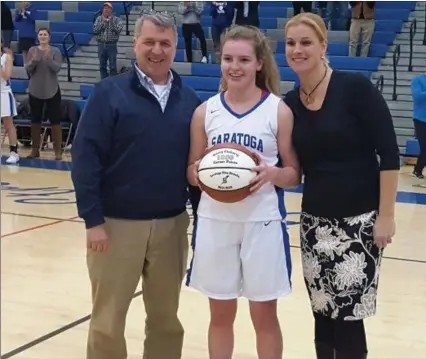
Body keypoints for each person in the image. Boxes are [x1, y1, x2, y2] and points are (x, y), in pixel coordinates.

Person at [71, 11, 201, 359]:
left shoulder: (191, 102)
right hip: (115, 226)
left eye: (165, 43)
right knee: (108, 320)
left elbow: (196, 169)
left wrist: (201, 221)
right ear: (135, 44)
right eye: (149, 42)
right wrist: (93, 220)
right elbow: (85, 159)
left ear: (175, 47)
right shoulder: (108, 93)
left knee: (165, 320)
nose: (157, 50)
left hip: (172, 225)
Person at [283, 13, 400, 359]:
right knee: (321, 311)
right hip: (313, 225)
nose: (297, 49)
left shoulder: (355, 88)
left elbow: (390, 154)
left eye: (306, 42)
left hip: (359, 223)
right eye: (291, 43)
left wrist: (387, 216)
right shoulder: (290, 103)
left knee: (349, 315)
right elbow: (291, 167)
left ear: (323, 46)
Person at [186, 25, 301, 359]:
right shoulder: (205, 112)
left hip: (261, 222)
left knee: (264, 317)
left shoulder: (277, 110)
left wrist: (271, 173)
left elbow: (293, 173)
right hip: (214, 221)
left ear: (259, 64)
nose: (234, 67)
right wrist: (205, 172)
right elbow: (191, 172)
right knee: (220, 317)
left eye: (243, 60)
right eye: (228, 59)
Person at [25, 28, 63, 160]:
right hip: (35, 90)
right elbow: (28, 69)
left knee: (55, 120)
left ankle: (58, 150)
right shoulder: (32, 50)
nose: (43, 36)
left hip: (52, 90)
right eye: (40, 34)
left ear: (49, 37)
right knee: (35, 120)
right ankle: (35, 149)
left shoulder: (55, 51)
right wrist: (34, 60)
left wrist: (47, 57)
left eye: (45, 34)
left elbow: (57, 68)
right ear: (37, 37)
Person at [1, 43, 19, 164]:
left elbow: (7, 76)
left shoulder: (6, 57)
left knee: (8, 123)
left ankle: (14, 152)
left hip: (3, 93)